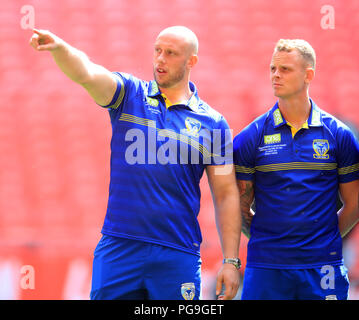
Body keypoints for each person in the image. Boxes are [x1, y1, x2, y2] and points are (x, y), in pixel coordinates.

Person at [30, 26, 241, 300]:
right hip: (120, 246)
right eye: (157, 50)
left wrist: (231, 260)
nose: (160, 59)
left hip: (177, 252)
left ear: (191, 61)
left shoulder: (214, 124)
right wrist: (60, 48)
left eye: (171, 53)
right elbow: (87, 72)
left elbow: (226, 194)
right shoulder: (130, 94)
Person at [233, 39, 359, 300]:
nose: (276, 75)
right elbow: (240, 207)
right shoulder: (250, 138)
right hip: (266, 266)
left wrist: (325, 237)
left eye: (286, 69)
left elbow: (354, 202)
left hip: (323, 266)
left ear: (308, 75)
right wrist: (268, 238)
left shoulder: (340, 136)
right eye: (273, 69)